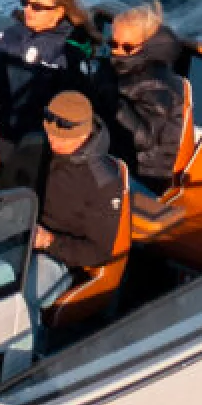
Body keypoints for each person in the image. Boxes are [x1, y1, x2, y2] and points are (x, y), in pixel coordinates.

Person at [0, 0, 97, 136]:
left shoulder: (68, 52)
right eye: (25, 3)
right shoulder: (9, 35)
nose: (28, 9)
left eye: (37, 7)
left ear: (59, 12)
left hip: (35, 136)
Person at [29, 90, 126, 282]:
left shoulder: (103, 182)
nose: (53, 141)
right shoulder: (37, 144)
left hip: (56, 257)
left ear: (84, 135)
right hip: (17, 236)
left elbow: (99, 252)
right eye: (50, 134)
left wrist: (49, 241)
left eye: (63, 138)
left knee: (16, 294)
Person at [103, 0, 189, 195]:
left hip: (147, 174)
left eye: (127, 47)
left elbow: (145, 139)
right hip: (122, 155)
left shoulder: (157, 85)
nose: (117, 52)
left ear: (146, 46)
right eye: (113, 44)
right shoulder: (124, 68)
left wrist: (115, 105)